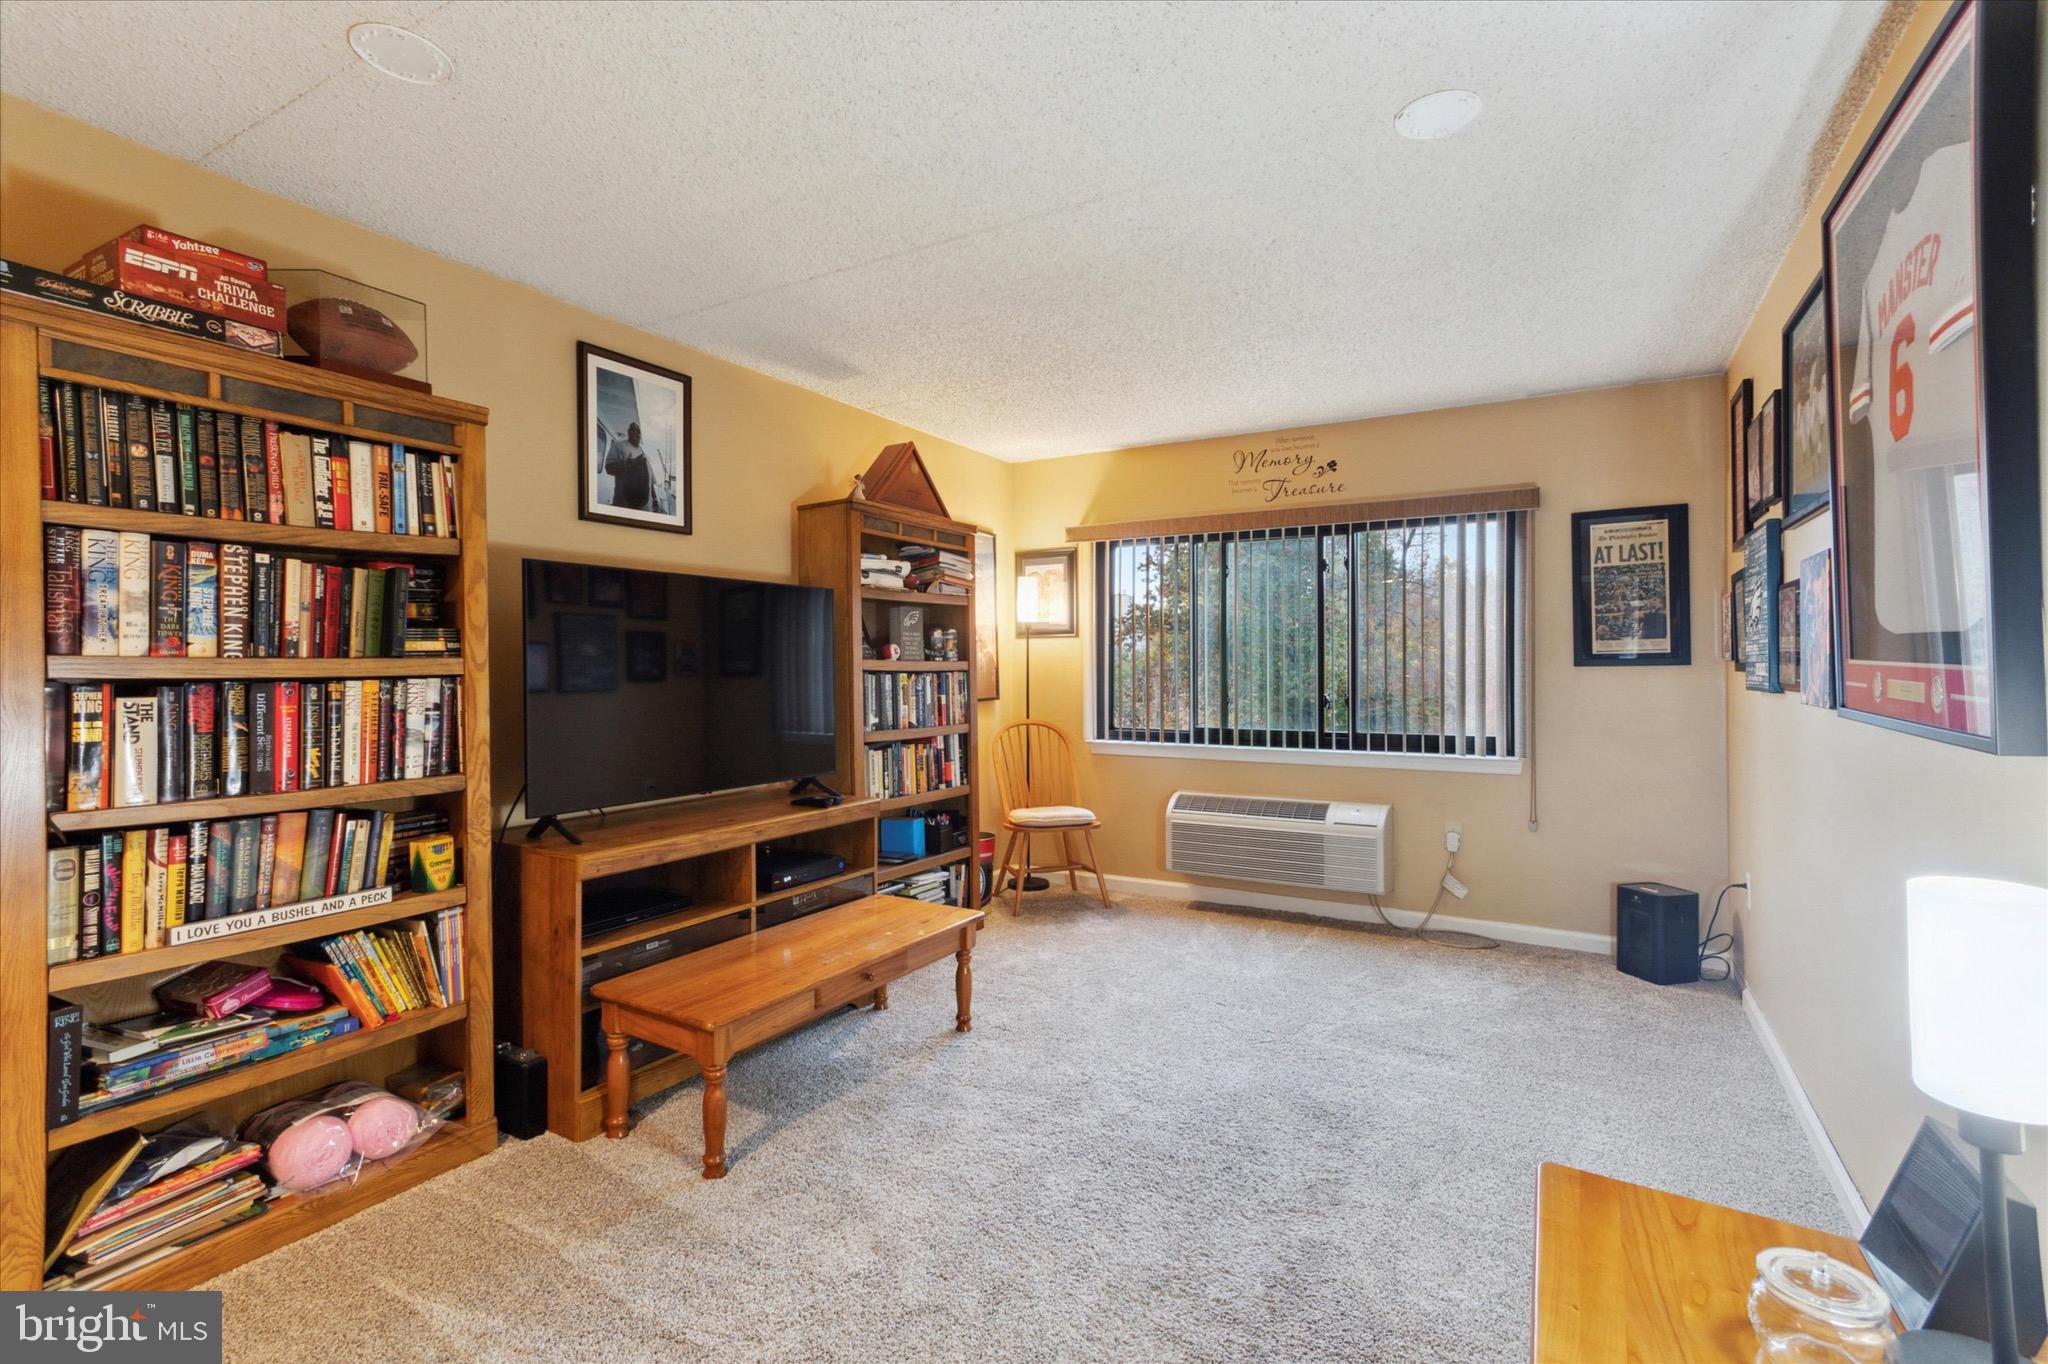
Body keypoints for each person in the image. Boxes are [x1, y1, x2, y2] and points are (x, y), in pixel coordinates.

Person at [603, 421, 652, 510]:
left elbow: (649, 479)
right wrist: (627, 466)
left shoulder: (642, 452)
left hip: (646, 507)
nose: (635, 432)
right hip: (625, 504)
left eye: (638, 431)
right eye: (632, 429)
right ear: (628, 432)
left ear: (640, 435)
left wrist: (654, 498)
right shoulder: (619, 445)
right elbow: (609, 468)